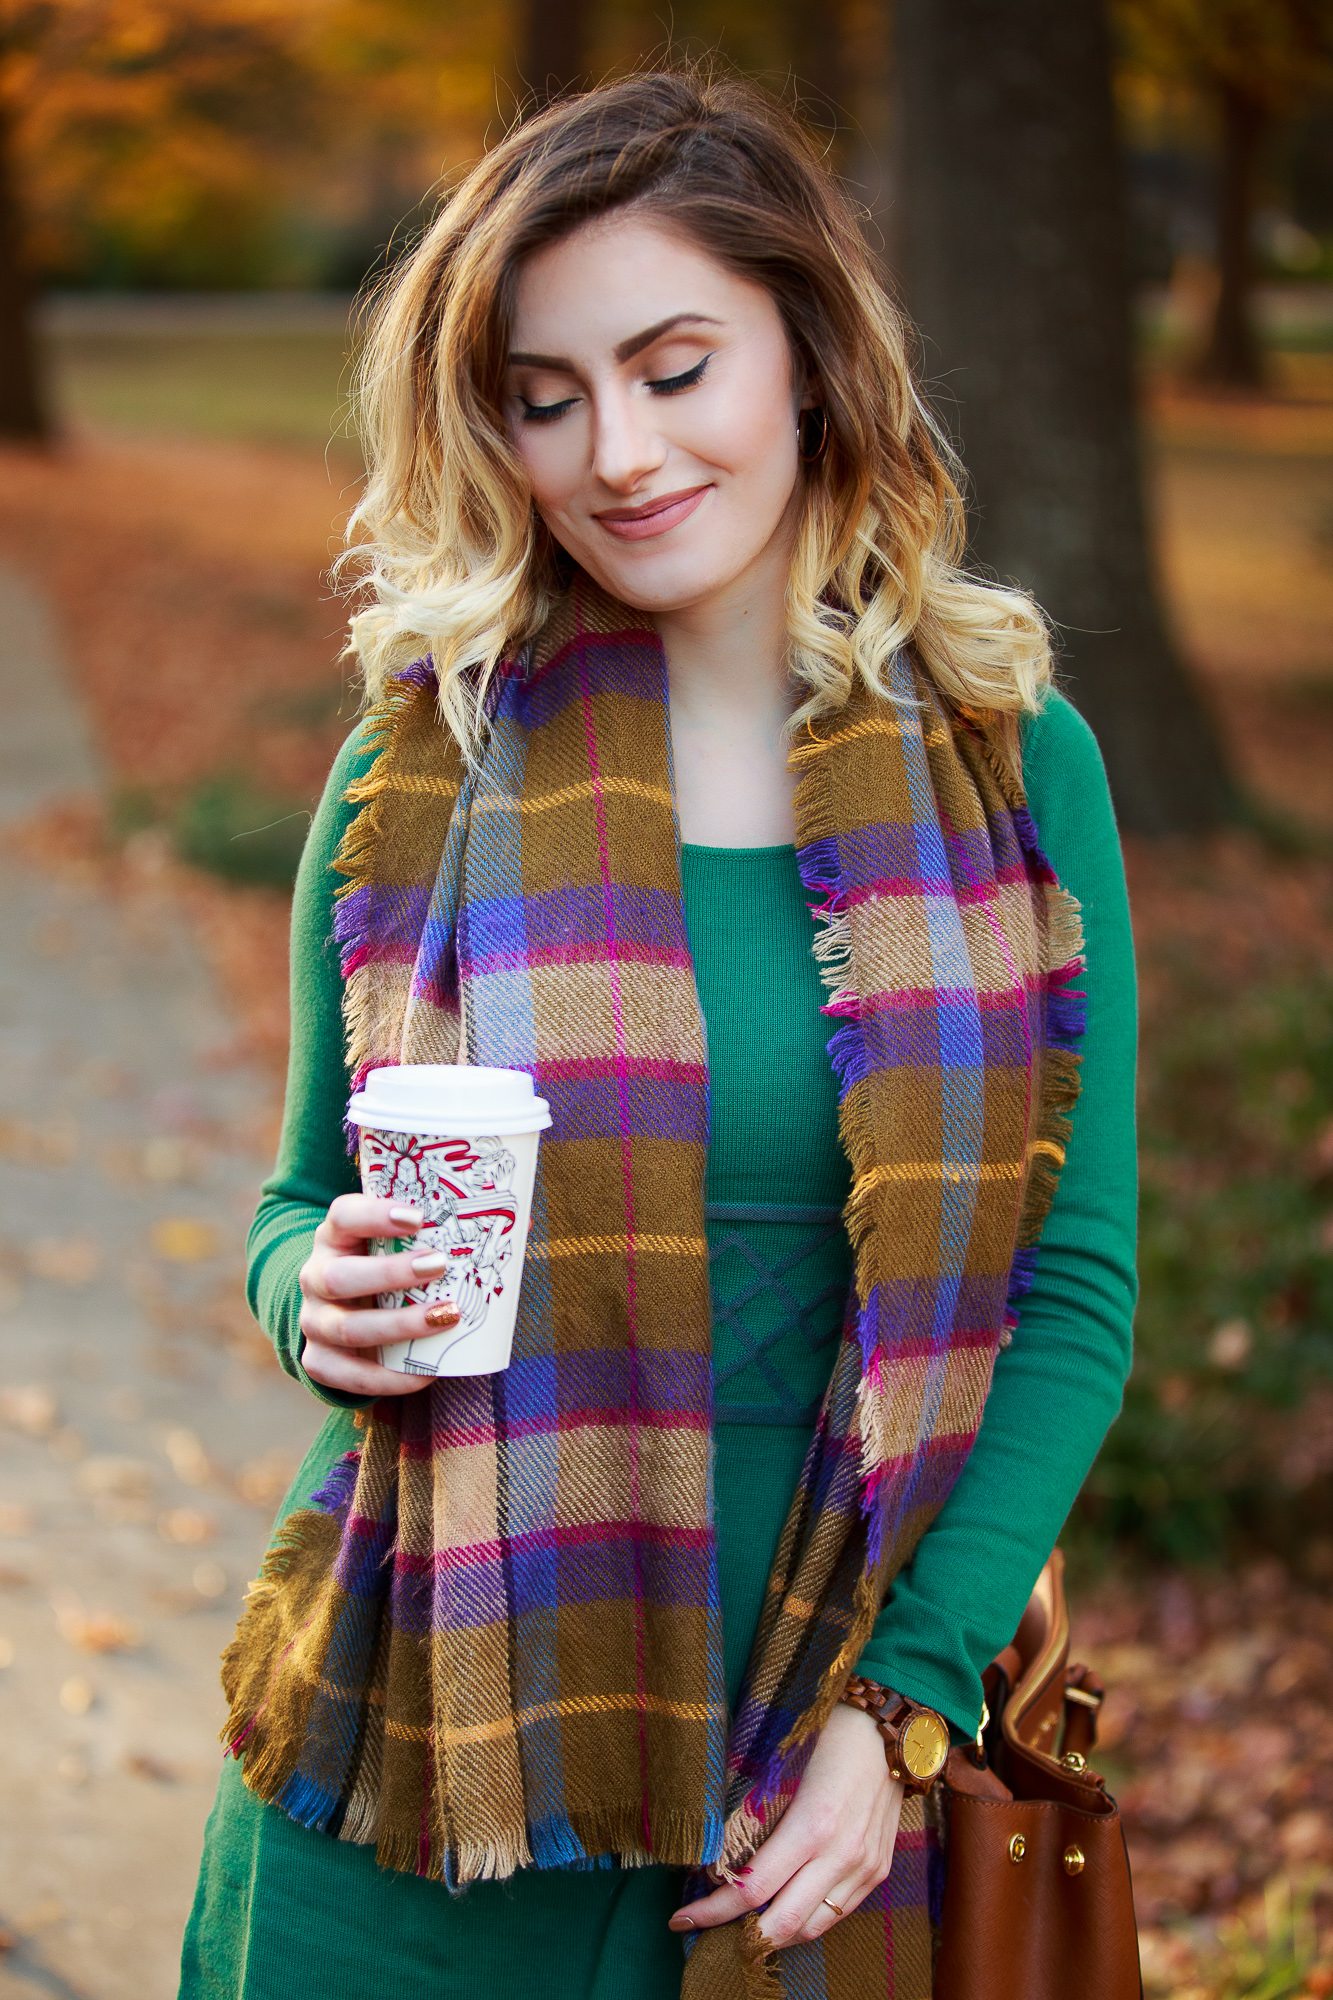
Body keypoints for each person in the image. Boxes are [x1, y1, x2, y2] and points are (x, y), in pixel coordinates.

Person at [179, 65, 1136, 2000]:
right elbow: (298, 1207)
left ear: (804, 350)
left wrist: (899, 1709)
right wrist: (315, 1293)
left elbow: (1073, 1289)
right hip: (431, 1741)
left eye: (673, 364)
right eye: (546, 396)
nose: (616, 450)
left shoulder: (1013, 769)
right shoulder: (420, 771)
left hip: (807, 1770)